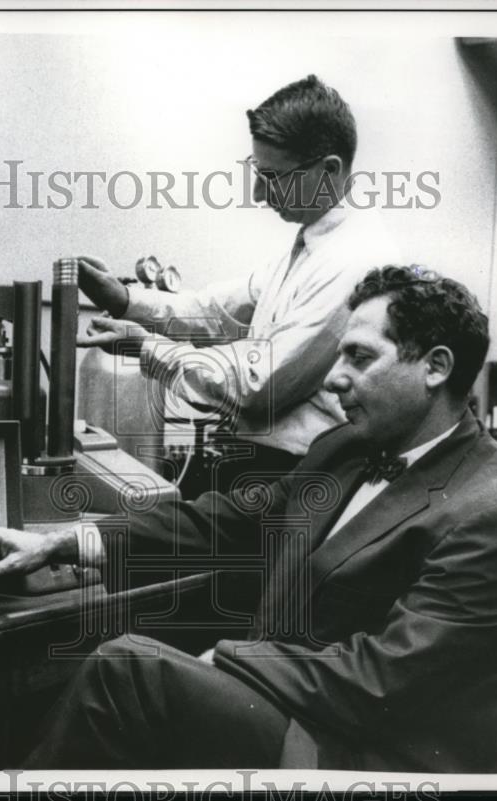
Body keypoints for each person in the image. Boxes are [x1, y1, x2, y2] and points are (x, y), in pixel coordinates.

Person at [0, 265, 497, 772]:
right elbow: (228, 524)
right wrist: (64, 542)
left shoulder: (493, 514)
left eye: (359, 357)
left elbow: (383, 681)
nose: (333, 378)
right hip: (297, 712)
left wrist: (224, 659)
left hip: (364, 756)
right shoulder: (347, 448)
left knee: (129, 671)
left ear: (435, 367)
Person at [76, 74, 399, 494]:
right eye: (256, 171)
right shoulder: (311, 246)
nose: (259, 193)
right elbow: (217, 310)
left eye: (273, 177)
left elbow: (258, 387)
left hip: (301, 477)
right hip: (268, 467)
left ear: (329, 170)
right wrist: (123, 300)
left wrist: (144, 347)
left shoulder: (353, 261)